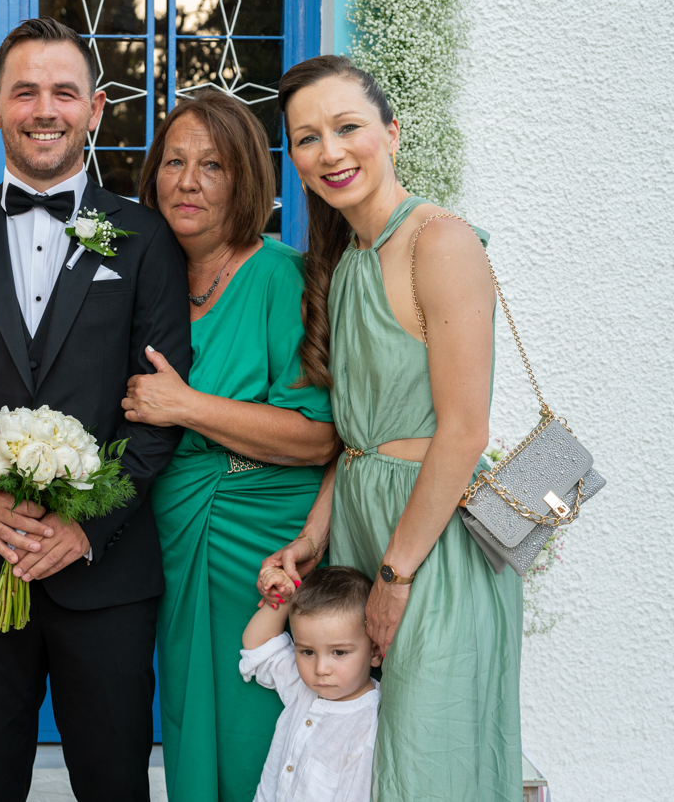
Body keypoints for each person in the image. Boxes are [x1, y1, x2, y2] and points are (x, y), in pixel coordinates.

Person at [0, 17, 191, 802]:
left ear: (96, 108)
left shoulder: (140, 238)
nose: (45, 109)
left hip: (106, 573)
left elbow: (158, 405)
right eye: (24, 92)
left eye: (64, 91)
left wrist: (86, 525)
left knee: (113, 781)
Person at [259, 54, 523, 801]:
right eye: (308, 138)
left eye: (348, 127)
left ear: (393, 132)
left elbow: (464, 431)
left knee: (427, 761)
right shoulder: (349, 260)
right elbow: (357, 441)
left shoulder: (440, 242)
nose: (331, 151)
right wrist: (312, 538)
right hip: (364, 531)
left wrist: (397, 575)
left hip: (429, 544)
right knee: (362, 770)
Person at [124, 89, 340, 801]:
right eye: (174, 162)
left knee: (259, 733)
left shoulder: (280, 277)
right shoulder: (140, 278)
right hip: (174, 535)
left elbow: (318, 437)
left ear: (245, 179)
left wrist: (185, 405)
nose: (188, 182)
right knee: (191, 725)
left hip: (264, 545)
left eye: (212, 165)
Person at [241, 567, 381, 802]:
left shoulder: (366, 726)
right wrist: (284, 599)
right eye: (307, 651)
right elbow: (258, 647)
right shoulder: (303, 686)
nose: (320, 669)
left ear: (374, 652)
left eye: (339, 652)